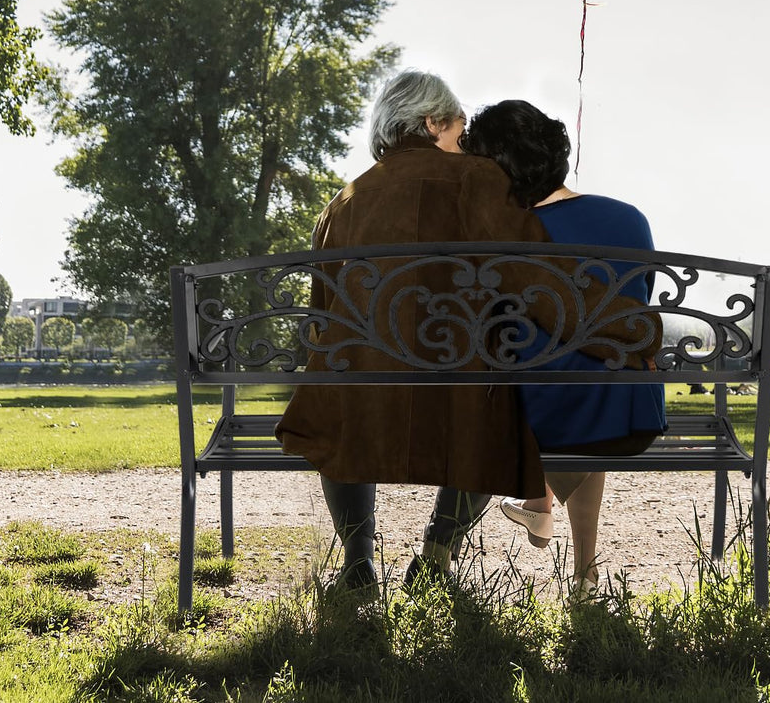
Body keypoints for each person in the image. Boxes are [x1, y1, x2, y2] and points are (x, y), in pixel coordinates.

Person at [274, 72, 659, 592]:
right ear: (432, 123)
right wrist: (630, 330)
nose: (464, 145)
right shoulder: (476, 181)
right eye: (458, 130)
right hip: (453, 399)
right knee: (496, 407)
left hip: (359, 401)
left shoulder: (344, 199)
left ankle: (358, 563)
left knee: (341, 399)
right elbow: (536, 282)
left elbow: (325, 320)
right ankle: (436, 554)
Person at [461, 99, 667, 596]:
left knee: (537, 380)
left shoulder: (508, 235)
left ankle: (537, 504)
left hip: (535, 422)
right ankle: (584, 574)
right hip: (631, 417)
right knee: (596, 378)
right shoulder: (629, 218)